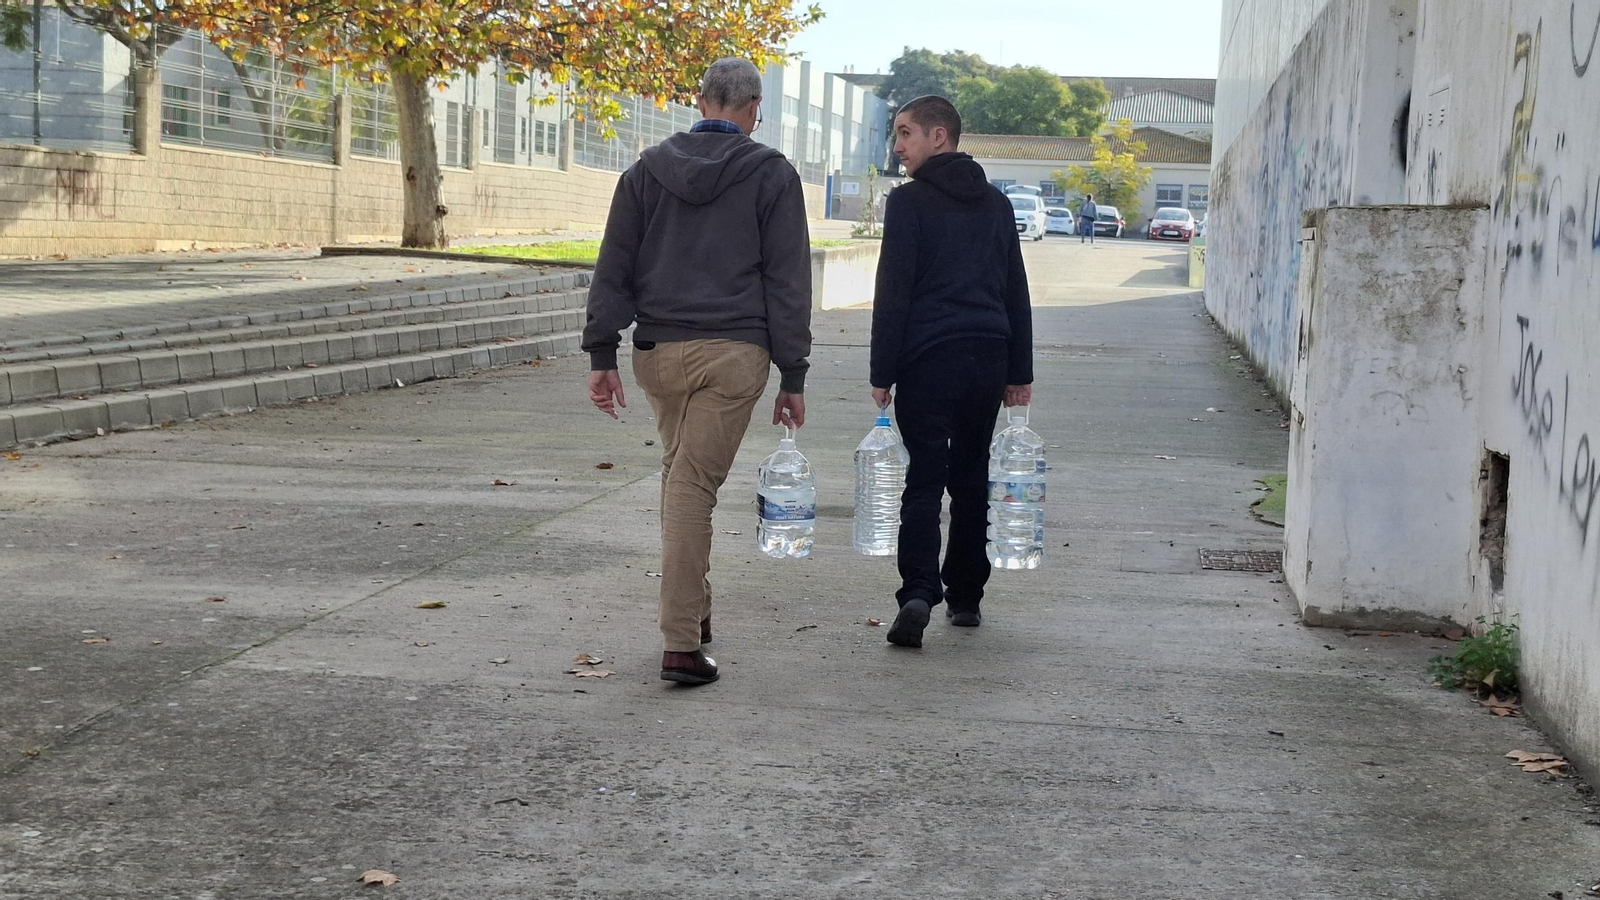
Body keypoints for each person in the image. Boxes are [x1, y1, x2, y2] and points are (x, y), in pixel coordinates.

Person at [582, 58, 812, 686]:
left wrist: (602, 352)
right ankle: (681, 644)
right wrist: (794, 372)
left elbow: (614, 265)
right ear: (754, 108)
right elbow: (787, 280)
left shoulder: (644, 172)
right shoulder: (771, 174)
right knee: (692, 486)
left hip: (658, 354)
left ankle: (697, 611)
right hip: (734, 354)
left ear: (702, 101)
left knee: (679, 473)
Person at [869, 95, 1033, 649]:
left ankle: (917, 591)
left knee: (923, 478)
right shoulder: (997, 204)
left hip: (928, 358)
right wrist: (1020, 370)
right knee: (969, 478)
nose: (898, 145)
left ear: (939, 137)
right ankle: (965, 598)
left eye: (906, 133)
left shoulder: (909, 203)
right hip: (987, 354)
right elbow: (1016, 291)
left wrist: (882, 370)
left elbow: (893, 291)